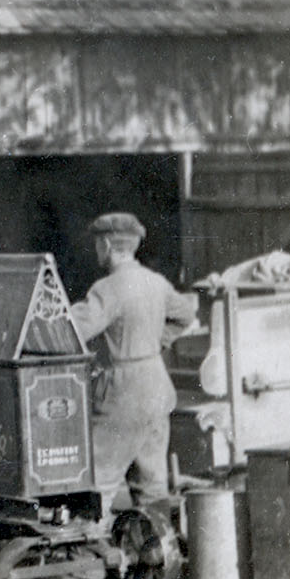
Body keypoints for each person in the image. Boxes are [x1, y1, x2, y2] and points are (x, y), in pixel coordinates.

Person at [67, 212, 198, 513]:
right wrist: (156, 342)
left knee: (97, 481)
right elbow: (186, 315)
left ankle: (89, 554)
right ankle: (158, 552)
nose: (97, 249)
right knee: (152, 487)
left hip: (124, 393)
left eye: (99, 243)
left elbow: (74, 328)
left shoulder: (107, 289)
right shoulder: (156, 282)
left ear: (109, 245)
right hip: (156, 388)